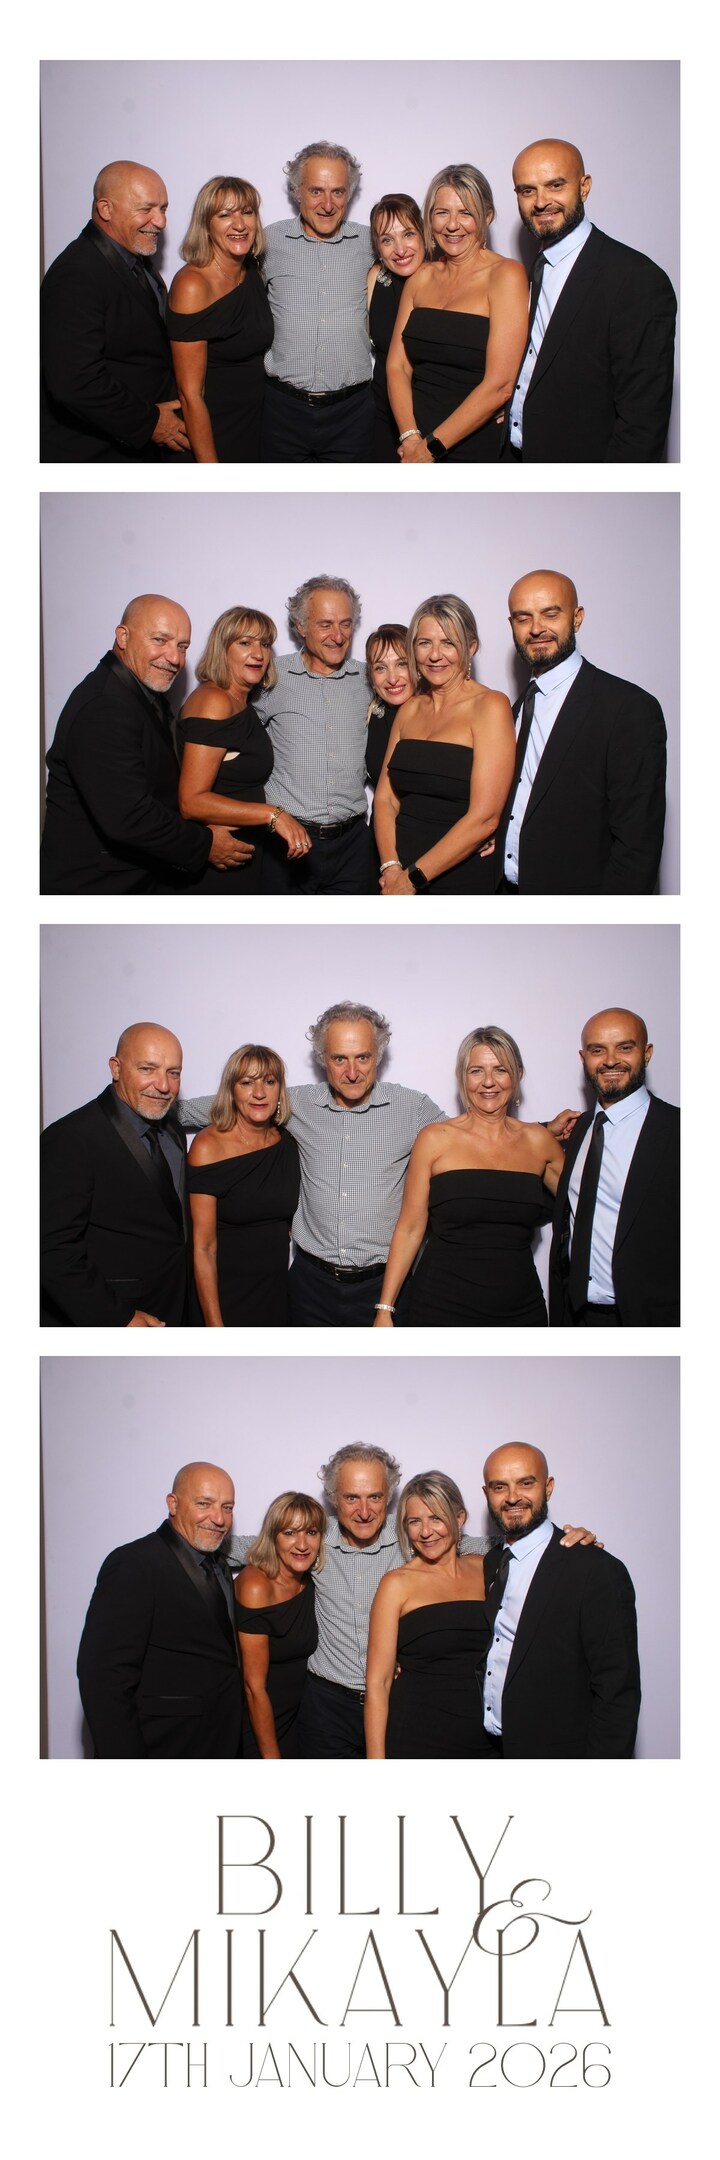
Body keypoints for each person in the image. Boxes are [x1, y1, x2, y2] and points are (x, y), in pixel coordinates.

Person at [226, 1445, 599, 1759]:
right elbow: (252, 1546)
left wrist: (565, 1542)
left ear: (389, 1498)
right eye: (351, 1498)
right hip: (327, 1706)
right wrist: (206, 1536)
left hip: (395, 1705)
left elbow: (504, 1543)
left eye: (375, 1497)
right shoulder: (313, 1538)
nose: (364, 1511)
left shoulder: (413, 1532)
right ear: (334, 1499)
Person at [181, 1002, 444, 1326]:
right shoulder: (293, 1103)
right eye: (339, 1059)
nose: (352, 1072)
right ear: (323, 1059)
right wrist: (152, 1102)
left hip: (386, 1286)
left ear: (378, 1055)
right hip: (309, 1287)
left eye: (362, 1057)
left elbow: (464, 1142)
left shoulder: (412, 1108)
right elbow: (220, 1104)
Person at [40, 595, 252, 894]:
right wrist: (205, 843)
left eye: (182, 646)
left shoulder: (140, 693)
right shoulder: (105, 705)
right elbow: (129, 817)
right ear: (123, 637)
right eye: (160, 640)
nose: (174, 658)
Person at [374, 1026, 565, 1327]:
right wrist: (385, 1309)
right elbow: (410, 1229)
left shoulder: (540, 1142)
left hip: (521, 1308)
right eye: (476, 1071)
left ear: (517, 1075)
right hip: (440, 1306)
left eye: (500, 1069)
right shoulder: (435, 1139)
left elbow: (586, 1208)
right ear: (462, 1078)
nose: (488, 1081)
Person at [505, 138, 677, 463]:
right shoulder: (531, 269)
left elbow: (642, 427)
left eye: (555, 185)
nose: (540, 202)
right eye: (527, 190)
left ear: (584, 187)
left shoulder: (636, 279)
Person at [498, 569, 667, 894]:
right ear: (512, 625)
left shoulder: (628, 707)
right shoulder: (511, 710)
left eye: (550, 614)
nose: (536, 628)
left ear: (577, 618)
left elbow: (637, 847)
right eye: (523, 618)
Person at [480, 1445, 641, 1756]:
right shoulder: (492, 1562)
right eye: (500, 1487)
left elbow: (617, 1691)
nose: (512, 1497)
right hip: (496, 1749)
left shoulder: (595, 1569)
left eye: (526, 1483)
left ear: (548, 1487)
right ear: (487, 1493)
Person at [77, 1463, 243, 1757]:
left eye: (227, 1507)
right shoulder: (134, 1563)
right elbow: (103, 1679)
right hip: (162, 1745)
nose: (218, 1519)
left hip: (219, 1741)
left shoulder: (218, 1563)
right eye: (204, 1504)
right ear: (173, 1504)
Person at [41, 1022, 191, 1327]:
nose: (164, 1085)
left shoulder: (173, 1131)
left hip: (173, 1301)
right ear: (116, 1068)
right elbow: (52, 1250)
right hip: (116, 1313)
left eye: (173, 1073)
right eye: (148, 1069)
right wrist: (118, 1317)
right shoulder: (70, 1137)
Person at [41, 160, 190, 463]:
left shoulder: (133, 257)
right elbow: (76, 381)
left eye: (163, 209)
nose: (160, 221)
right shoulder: (76, 272)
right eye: (146, 209)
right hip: (94, 454)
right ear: (106, 209)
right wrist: (149, 423)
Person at [373, 594, 515, 893]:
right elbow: (385, 799)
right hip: (397, 872)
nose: (435, 655)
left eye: (448, 642)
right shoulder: (409, 709)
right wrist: (391, 867)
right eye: (424, 643)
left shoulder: (490, 706)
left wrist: (411, 880)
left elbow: (485, 818)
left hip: (460, 873)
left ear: (471, 647)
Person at [387, 163, 528, 463]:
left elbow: (500, 386)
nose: (452, 225)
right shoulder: (420, 277)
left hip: (474, 443)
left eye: (466, 213)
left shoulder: (506, 275)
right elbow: (397, 366)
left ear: (487, 217)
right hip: (411, 441)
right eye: (442, 212)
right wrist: (410, 437)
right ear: (430, 217)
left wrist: (430, 448)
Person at [548, 1007, 680, 1327]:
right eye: (597, 1050)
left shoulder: (679, 1131)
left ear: (646, 1053)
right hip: (575, 1318)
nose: (610, 1060)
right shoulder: (579, 1129)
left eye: (624, 1047)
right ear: (584, 1059)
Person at [177, 606, 311, 891]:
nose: (259, 653)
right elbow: (191, 802)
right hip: (218, 862)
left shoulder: (239, 702)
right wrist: (273, 814)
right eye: (245, 643)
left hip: (243, 855)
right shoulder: (214, 701)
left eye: (265, 644)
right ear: (222, 648)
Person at [254, 577, 370, 893]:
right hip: (285, 844)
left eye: (346, 624)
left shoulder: (369, 679)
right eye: (326, 625)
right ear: (301, 627)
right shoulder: (270, 675)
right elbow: (230, 743)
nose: (338, 636)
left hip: (354, 847)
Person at [262, 141, 374, 461]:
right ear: (297, 192)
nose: (327, 204)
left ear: (349, 194)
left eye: (338, 192)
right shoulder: (268, 241)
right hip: (282, 412)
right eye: (316, 191)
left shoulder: (371, 242)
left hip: (352, 414)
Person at [365, 1473, 490, 1758]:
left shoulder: (486, 1568)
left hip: (487, 1737)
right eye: (414, 1521)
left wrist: (578, 1543)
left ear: (459, 1518)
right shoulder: (396, 1584)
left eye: (436, 1518)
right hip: (418, 1735)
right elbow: (378, 1684)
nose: (425, 1532)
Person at [188, 1045, 300, 1326]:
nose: (259, 1093)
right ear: (231, 1090)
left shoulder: (288, 1143)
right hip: (223, 1294)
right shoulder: (208, 1146)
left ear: (280, 1090)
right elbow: (203, 1248)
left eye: (269, 1082)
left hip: (275, 1293)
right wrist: (215, 1325)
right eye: (247, 1082)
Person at [167, 174, 273, 462]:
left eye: (247, 212)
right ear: (206, 223)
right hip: (211, 430)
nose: (239, 225)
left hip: (251, 424)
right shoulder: (192, 284)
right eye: (225, 215)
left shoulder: (252, 271)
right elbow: (190, 394)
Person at [235, 1492, 325, 1757]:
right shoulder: (256, 1586)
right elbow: (253, 1687)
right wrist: (271, 1757)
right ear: (273, 1536)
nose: (302, 1544)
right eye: (289, 1533)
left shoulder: (311, 1579)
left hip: (299, 1718)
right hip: (259, 1723)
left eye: (311, 1532)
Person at [367, 194, 426, 461]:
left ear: (424, 234)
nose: (400, 250)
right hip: (382, 418)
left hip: (435, 419)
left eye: (408, 234)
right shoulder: (375, 278)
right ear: (378, 248)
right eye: (387, 240)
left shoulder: (447, 277)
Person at [364, 622, 413, 887]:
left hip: (434, 843)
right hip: (381, 850)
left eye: (401, 663)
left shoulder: (442, 714)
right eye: (381, 667)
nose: (392, 678)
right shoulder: (370, 716)